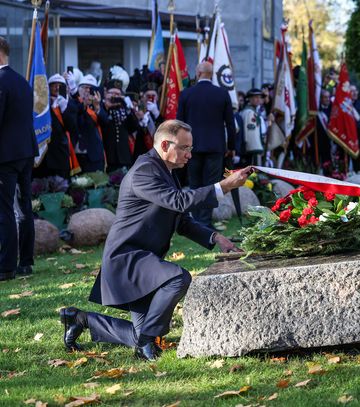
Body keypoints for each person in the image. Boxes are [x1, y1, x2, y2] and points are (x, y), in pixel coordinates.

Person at [60, 120, 251, 361]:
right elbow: (179, 201)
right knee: (178, 278)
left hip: (142, 261)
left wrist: (216, 237)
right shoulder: (144, 170)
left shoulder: (164, 170)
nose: (189, 155)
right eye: (184, 148)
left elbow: (181, 220)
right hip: (127, 260)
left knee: (140, 335)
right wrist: (223, 186)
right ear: (164, 144)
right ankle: (146, 344)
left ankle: (79, 319)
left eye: (190, 148)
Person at [176, 61, 236, 228]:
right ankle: (205, 221)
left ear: (198, 72)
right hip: (215, 148)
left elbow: (179, 124)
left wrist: (180, 147)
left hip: (191, 148)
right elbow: (230, 124)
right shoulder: (222, 94)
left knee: (195, 185)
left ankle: (196, 222)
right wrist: (231, 147)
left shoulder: (186, 94)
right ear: (212, 74)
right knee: (211, 186)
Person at [0, 36, 38, 280]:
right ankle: (25, 261)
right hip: (25, 151)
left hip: (5, 155)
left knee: (4, 210)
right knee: (23, 207)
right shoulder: (22, 81)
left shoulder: (1, 81)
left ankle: (5, 267)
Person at [35, 73, 79, 179]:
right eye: (54, 85)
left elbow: (72, 128)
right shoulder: (41, 105)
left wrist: (64, 109)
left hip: (60, 154)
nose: (57, 88)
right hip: (44, 154)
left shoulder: (70, 104)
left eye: (60, 85)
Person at [101, 79, 140, 171]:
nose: (115, 96)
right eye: (112, 93)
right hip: (109, 156)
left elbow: (133, 127)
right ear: (106, 93)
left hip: (124, 157)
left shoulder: (124, 110)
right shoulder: (102, 108)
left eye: (118, 94)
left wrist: (128, 108)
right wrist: (107, 107)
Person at [73, 75, 107, 172]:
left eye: (91, 89)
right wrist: (81, 103)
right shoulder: (73, 105)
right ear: (78, 90)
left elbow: (105, 123)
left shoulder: (99, 107)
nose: (87, 91)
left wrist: (97, 107)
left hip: (94, 155)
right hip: (76, 155)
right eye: (84, 88)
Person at [240, 88, 265, 165]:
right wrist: (256, 148)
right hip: (252, 149)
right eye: (256, 97)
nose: (258, 99)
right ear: (250, 99)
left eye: (259, 97)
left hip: (252, 149)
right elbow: (250, 133)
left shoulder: (251, 111)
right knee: (252, 171)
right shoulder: (250, 113)